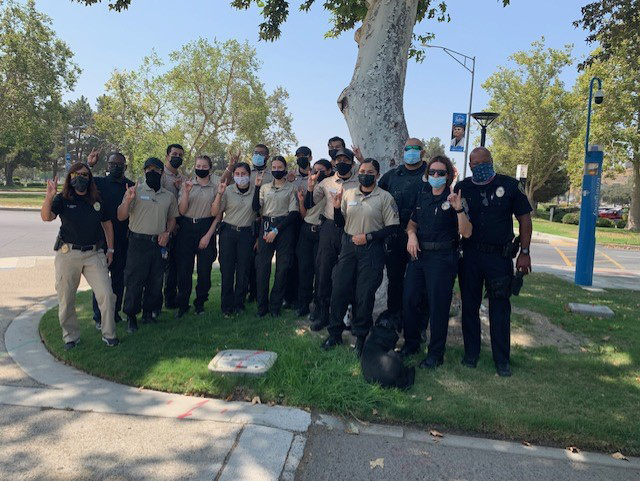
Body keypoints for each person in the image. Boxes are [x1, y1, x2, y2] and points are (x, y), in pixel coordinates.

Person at [455, 147, 532, 377]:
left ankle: (502, 360)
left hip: (499, 257)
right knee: (469, 306)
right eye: (475, 164)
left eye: (484, 162)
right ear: (470, 166)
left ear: (491, 161)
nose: (480, 167)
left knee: (499, 308)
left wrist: (525, 252)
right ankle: (471, 354)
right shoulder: (463, 187)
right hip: (470, 256)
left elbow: (525, 220)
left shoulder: (509, 186)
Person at [321, 158, 400, 357]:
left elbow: (392, 227)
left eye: (370, 171)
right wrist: (337, 207)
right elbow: (340, 222)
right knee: (339, 289)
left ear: (377, 175)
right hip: (349, 246)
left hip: (372, 250)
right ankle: (334, 333)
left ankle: (360, 337)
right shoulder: (348, 194)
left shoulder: (385, 197)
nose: (365, 174)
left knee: (364, 295)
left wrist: (369, 237)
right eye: (362, 170)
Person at [403, 155, 473, 366]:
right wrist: (411, 235)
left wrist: (458, 208)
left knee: (438, 307)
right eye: (432, 172)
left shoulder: (455, 199)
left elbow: (466, 232)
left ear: (448, 176)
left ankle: (435, 354)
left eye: (440, 173)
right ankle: (411, 343)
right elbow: (411, 224)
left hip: (442, 259)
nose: (435, 175)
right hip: (419, 256)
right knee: (410, 300)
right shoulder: (423, 196)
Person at [40, 163, 119, 349]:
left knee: (107, 294)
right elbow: (46, 217)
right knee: (66, 299)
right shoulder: (63, 199)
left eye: (85, 174)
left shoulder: (97, 199)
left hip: (94, 254)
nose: (80, 177)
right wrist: (49, 197)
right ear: (70, 177)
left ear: (90, 178)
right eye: (76, 174)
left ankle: (109, 334)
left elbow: (107, 225)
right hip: (68, 253)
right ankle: (71, 337)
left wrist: (111, 250)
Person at [117, 157, 179, 333]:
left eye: (156, 170)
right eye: (148, 169)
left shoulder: (168, 196)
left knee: (155, 281)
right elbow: (121, 216)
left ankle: (148, 313)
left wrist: (167, 233)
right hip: (137, 243)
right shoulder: (135, 191)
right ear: (144, 172)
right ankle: (130, 316)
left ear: (161, 172)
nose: (152, 172)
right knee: (134, 281)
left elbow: (172, 219)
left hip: (158, 244)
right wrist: (128, 200)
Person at [372, 138, 428, 325]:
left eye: (415, 148)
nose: (411, 151)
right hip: (395, 236)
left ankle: (417, 322)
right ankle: (394, 316)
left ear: (423, 152)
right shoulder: (392, 175)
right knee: (394, 279)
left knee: (419, 283)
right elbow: (376, 197)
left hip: (421, 237)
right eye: (407, 148)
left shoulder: (431, 175)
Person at [304, 148, 359, 331]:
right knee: (323, 273)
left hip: (350, 229)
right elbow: (310, 203)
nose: (341, 162)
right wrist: (310, 187)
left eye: (345, 159)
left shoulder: (359, 181)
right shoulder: (326, 183)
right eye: (338, 159)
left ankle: (347, 317)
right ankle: (322, 314)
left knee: (348, 275)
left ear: (352, 162)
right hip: (328, 229)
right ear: (333, 162)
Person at [86, 150, 135, 328]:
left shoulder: (130, 186)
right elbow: (81, 178)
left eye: (119, 165)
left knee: (118, 279)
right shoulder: (98, 183)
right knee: (100, 279)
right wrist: (89, 164)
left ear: (125, 167)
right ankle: (98, 316)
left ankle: (114, 313)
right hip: (100, 238)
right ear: (107, 166)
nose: (116, 167)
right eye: (112, 164)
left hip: (123, 238)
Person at [252, 155, 300, 317]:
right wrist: (257, 187)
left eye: (280, 168)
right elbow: (255, 207)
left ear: (285, 168)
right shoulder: (265, 187)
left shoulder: (291, 188)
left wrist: (276, 231)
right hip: (266, 226)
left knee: (283, 269)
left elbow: (294, 213)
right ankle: (262, 307)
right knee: (262, 269)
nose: (277, 170)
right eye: (274, 168)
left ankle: (275, 307)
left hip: (284, 228)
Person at [174, 155, 220, 318]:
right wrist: (186, 192)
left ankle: (200, 303)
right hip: (186, 228)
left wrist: (208, 235)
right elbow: (181, 211)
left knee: (204, 270)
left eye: (204, 166)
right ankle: (182, 304)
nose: (200, 168)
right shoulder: (187, 185)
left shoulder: (215, 188)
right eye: (198, 165)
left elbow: (217, 215)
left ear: (209, 168)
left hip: (206, 227)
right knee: (184, 269)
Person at [211, 162, 257, 316]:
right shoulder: (228, 190)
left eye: (243, 174)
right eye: (237, 174)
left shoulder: (256, 191)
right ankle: (226, 306)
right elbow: (215, 211)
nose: (240, 177)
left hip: (246, 234)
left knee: (243, 271)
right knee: (227, 270)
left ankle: (239, 304)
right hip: (228, 233)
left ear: (249, 175)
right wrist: (219, 194)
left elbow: (260, 214)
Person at [295, 159, 331, 318]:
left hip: (323, 232)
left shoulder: (332, 187)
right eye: (314, 170)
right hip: (306, 231)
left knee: (321, 272)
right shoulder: (309, 188)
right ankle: (304, 304)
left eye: (321, 170)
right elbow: (303, 214)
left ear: (329, 171)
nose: (317, 173)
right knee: (304, 270)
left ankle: (318, 307)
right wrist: (302, 200)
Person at [283, 146, 313, 311]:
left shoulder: (315, 174)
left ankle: (305, 297)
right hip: (292, 221)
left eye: (304, 156)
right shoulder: (291, 175)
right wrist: (289, 181)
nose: (301, 158)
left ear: (310, 157)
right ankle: (288, 297)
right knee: (289, 261)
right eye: (299, 156)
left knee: (305, 263)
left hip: (308, 222)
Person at [162, 143, 185, 309]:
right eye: (174, 154)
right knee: (163, 266)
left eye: (180, 155)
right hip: (164, 228)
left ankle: (173, 299)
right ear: (167, 156)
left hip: (179, 228)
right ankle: (163, 300)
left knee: (176, 265)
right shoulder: (161, 176)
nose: (177, 157)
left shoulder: (182, 178)